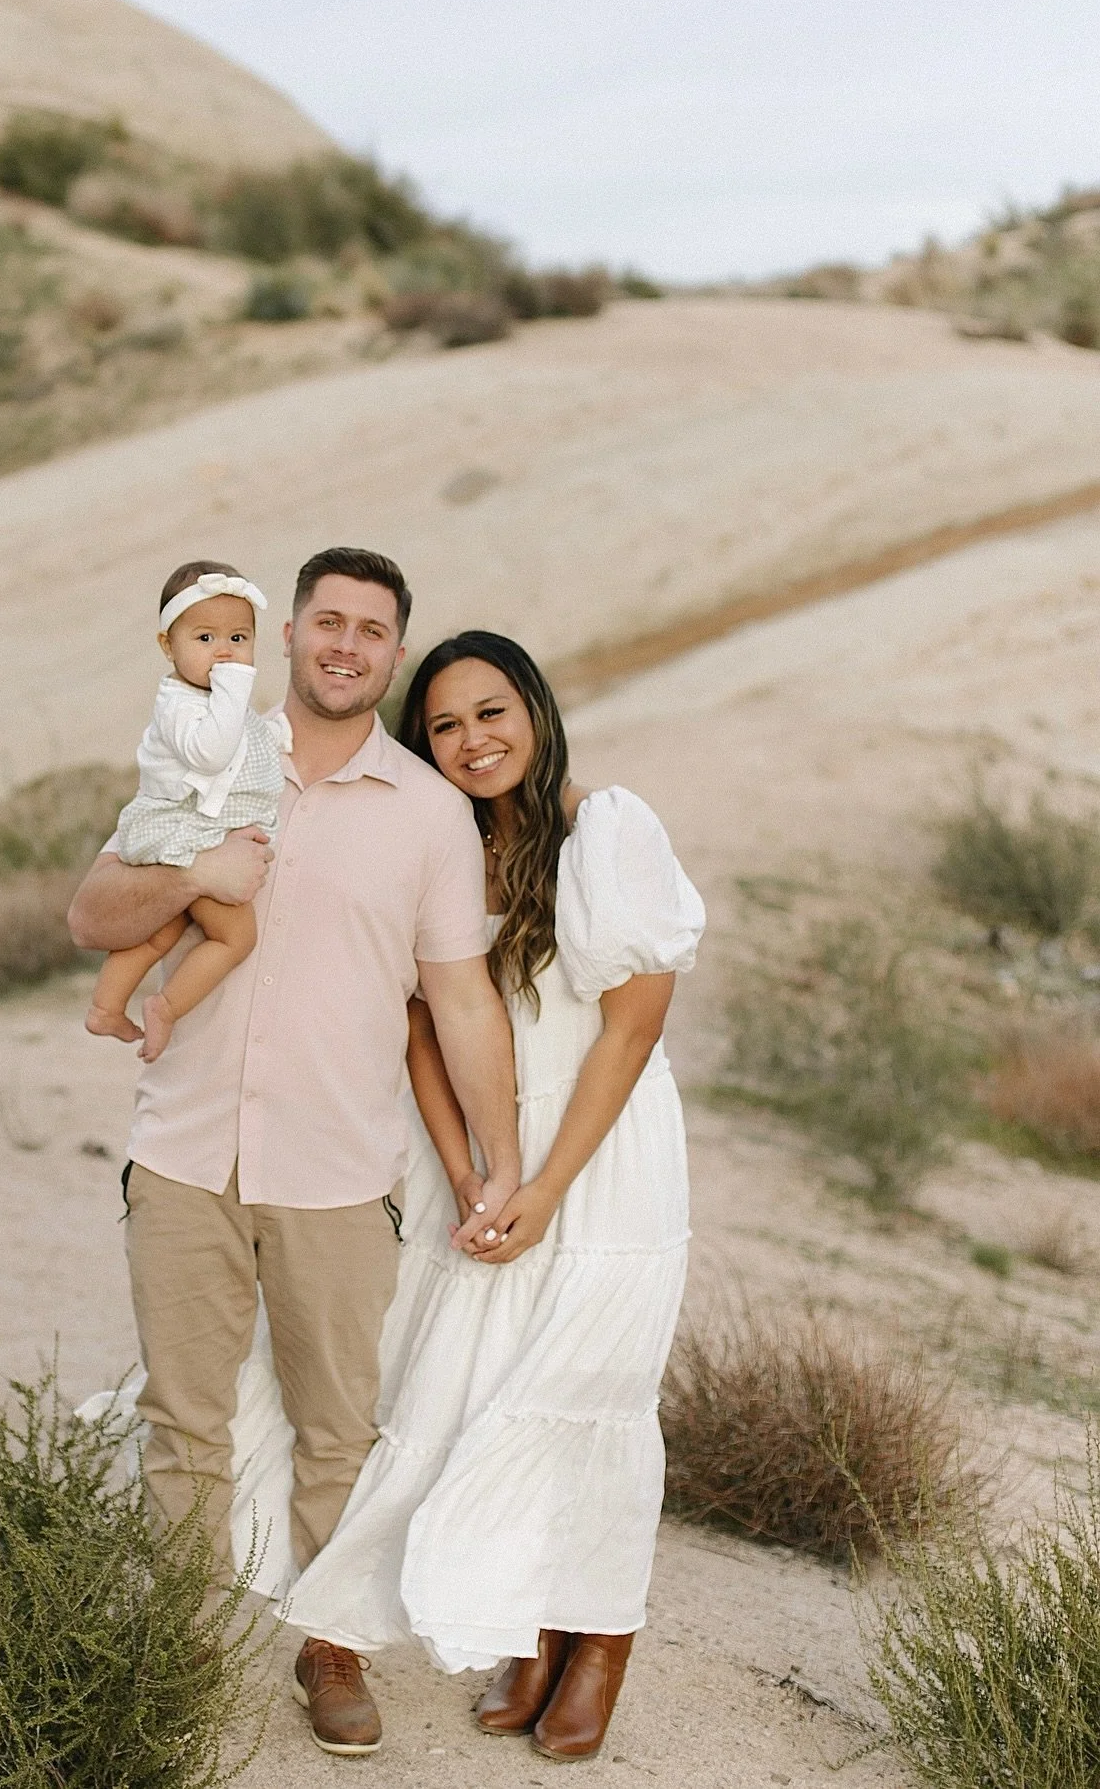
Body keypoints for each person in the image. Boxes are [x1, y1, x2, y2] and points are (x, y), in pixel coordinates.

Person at [66, 550, 522, 1759]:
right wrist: (192, 870)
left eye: (373, 630)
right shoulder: (207, 753)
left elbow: (462, 1002)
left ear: (392, 653)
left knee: (338, 1431)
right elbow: (93, 917)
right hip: (185, 1158)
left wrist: (505, 1161)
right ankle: (174, 1645)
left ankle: (334, 1648)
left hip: (335, 1170)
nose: (346, 644)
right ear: (289, 635)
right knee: (184, 1422)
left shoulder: (430, 813)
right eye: (328, 620)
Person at [282, 630, 706, 1763]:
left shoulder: (606, 828)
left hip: (603, 1151)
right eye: (445, 725)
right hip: (481, 1151)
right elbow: (418, 1026)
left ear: (534, 707)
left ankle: (600, 1636)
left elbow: (634, 1023)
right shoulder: (439, 849)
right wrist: (472, 1165)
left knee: (589, 1390)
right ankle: (529, 1624)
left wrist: (551, 1182)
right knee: (480, 1387)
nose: (472, 740)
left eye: (490, 712)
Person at [85, 561, 289, 1063]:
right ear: (167, 647)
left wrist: (273, 733)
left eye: (239, 638)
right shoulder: (179, 703)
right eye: (204, 638)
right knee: (237, 936)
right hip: (182, 832)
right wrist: (237, 686)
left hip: (195, 830)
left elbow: (245, 742)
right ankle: (168, 1007)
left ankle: (106, 1006)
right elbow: (212, 754)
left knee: (164, 928)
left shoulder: (217, 703)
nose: (224, 651)